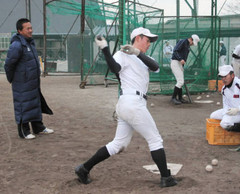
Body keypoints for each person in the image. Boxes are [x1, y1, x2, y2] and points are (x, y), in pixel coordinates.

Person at [75, 27, 177, 188]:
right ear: (138, 38)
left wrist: (137, 53)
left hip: (130, 104)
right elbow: (114, 68)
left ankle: (84, 168)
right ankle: (166, 178)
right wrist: (105, 49)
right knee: (155, 139)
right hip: (132, 102)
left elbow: (156, 67)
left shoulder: (142, 57)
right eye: (147, 40)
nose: (149, 44)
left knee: (118, 144)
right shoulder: (122, 54)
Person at [4, 18, 54, 140]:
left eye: (31, 28)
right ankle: (23, 131)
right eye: (28, 28)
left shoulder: (29, 42)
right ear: (20, 31)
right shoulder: (17, 45)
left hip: (32, 82)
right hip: (22, 83)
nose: (31, 30)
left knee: (34, 103)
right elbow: (8, 65)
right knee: (23, 105)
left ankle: (38, 127)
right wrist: (13, 79)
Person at [170, 34, 200, 105]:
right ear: (191, 39)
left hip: (179, 63)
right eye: (193, 42)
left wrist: (182, 65)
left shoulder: (187, 45)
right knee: (180, 81)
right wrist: (180, 59)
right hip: (175, 62)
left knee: (181, 81)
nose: (193, 44)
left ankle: (180, 98)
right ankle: (173, 98)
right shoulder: (183, 41)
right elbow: (175, 51)